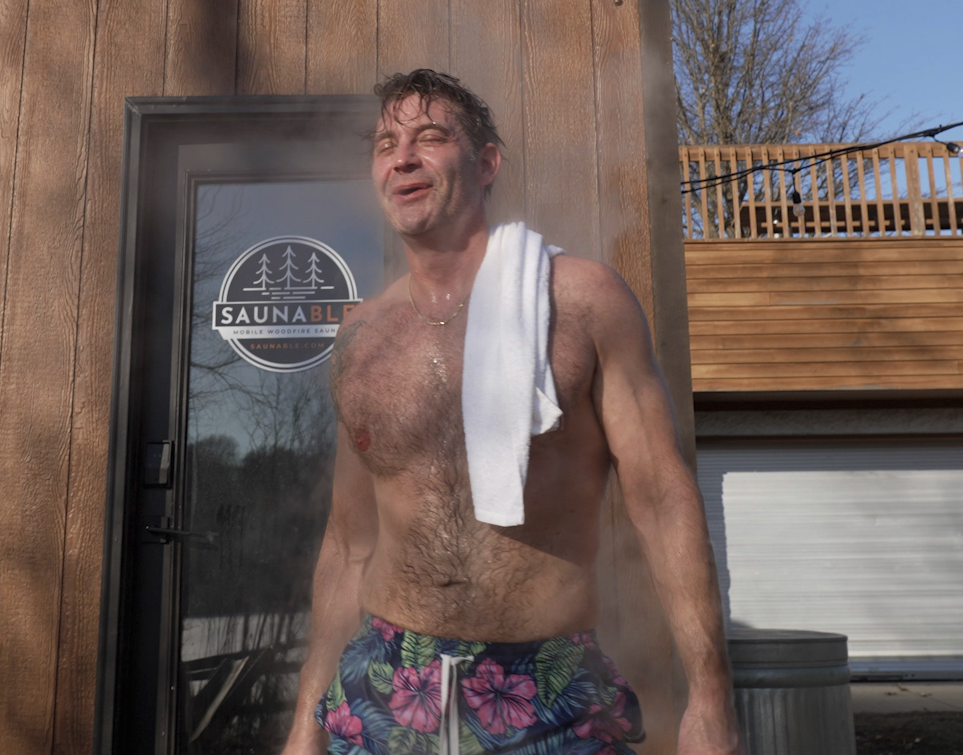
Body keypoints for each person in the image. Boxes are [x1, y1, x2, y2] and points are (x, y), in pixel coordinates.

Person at [281, 70, 736, 755]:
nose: (402, 157)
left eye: (430, 137)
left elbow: (661, 500)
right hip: (383, 686)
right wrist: (304, 719)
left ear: (487, 161)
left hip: (547, 691)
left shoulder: (579, 301)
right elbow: (349, 545)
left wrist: (710, 699)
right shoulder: (361, 338)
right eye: (385, 144)